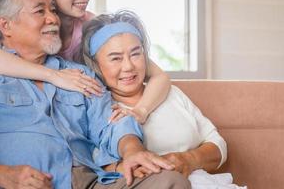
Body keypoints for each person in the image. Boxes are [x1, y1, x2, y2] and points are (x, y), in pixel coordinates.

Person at [0, 0, 191, 189]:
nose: (53, 19)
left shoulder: (80, 74)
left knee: (171, 181)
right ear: (5, 25)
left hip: (88, 180)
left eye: (53, 10)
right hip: (19, 183)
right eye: (40, 11)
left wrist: (132, 150)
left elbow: (110, 124)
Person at [79, 10, 245, 189]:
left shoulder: (172, 94)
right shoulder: (99, 111)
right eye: (115, 58)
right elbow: (94, 164)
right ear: (96, 65)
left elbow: (218, 144)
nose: (128, 66)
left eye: (135, 54)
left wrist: (189, 159)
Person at [0, 0, 171, 123]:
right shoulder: (22, 33)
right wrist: (54, 76)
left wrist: (141, 111)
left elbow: (158, 75)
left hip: (93, 112)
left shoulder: (92, 26)